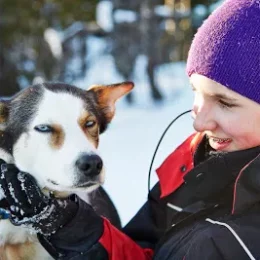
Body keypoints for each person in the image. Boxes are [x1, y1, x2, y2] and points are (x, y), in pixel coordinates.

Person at [1, 0, 260, 259]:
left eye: (225, 102)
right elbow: (140, 253)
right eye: (196, 92)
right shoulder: (192, 169)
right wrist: (74, 228)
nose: (199, 123)